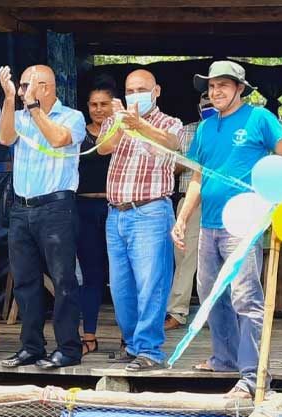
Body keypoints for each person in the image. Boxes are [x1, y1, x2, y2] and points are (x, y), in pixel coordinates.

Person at [174, 60, 282, 398]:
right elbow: (198, 178)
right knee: (209, 295)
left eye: (223, 85)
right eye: (211, 86)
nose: (215, 91)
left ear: (240, 88)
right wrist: (183, 218)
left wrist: (281, 190)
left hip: (243, 222)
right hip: (209, 225)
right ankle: (224, 359)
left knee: (245, 298)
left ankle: (250, 376)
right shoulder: (204, 128)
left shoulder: (259, 118)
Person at [0, 64, 86, 369]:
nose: (22, 91)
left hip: (56, 207)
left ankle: (69, 348)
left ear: (45, 87)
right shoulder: (19, 114)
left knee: (63, 280)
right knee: (25, 281)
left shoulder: (72, 116)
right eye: (20, 86)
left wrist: (34, 108)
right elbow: (5, 138)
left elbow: (59, 139)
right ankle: (31, 346)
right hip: (22, 208)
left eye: (25, 85)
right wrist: (9, 99)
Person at [96, 69, 182, 372]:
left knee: (151, 285)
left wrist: (139, 124)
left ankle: (149, 350)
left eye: (141, 89)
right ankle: (132, 345)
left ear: (156, 91)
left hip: (150, 212)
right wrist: (122, 123)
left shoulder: (171, 122)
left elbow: (170, 145)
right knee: (121, 287)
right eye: (130, 91)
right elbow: (105, 147)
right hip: (116, 213)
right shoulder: (115, 119)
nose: (135, 96)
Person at [165, 94, 215, 330]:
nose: (210, 107)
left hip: (224, 202)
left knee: (222, 256)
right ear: (198, 107)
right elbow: (169, 170)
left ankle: (217, 312)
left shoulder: (237, 129)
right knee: (183, 257)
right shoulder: (186, 132)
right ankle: (177, 312)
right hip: (191, 201)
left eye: (214, 104)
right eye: (206, 105)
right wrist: (191, 160)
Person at [76, 76, 116, 355]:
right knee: (91, 276)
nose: (98, 109)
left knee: (122, 276)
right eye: (94, 104)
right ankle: (88, 335)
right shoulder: (78, 133)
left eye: (104, 104)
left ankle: (129, 338)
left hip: (116, 208)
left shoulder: (124, 133)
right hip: (84, 209)